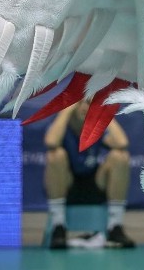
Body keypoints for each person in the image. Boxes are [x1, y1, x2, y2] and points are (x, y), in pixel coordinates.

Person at [44, 101, 136, 250]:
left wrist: (103, 113)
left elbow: (122, 142)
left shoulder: (96, 126)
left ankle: (115, 227)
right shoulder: (63, 125)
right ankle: (58, 226)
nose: (84, 107)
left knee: (120, 157)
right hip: (67, 185)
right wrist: (66, 110)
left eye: (89, 103)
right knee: (55, 155)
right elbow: (51, 141)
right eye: (79, 103)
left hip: (94, 184)